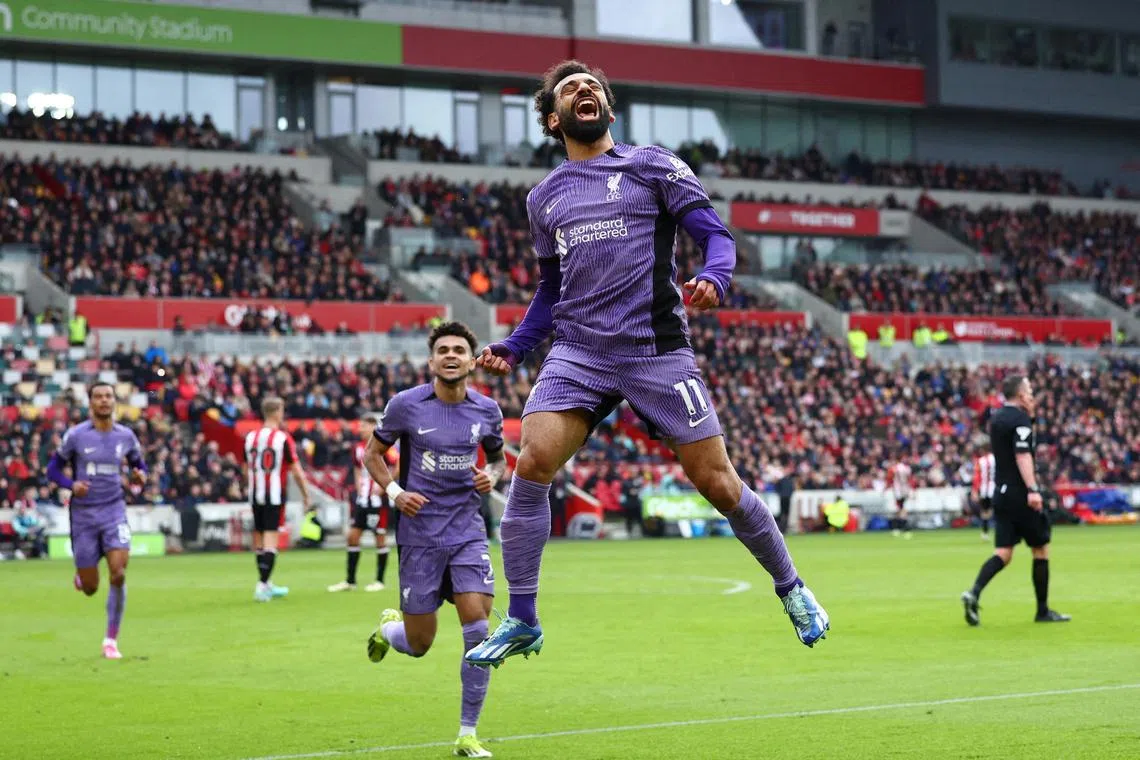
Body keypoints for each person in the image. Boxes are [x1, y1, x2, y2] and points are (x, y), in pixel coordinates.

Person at [465, 60, 829, 670]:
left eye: (594, 86)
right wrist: (517, 345)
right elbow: (551, 289)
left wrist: (715, 276)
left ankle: (791, 587)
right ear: (553, 120)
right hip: (579, 352)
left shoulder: (653, 165)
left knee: (717, 483)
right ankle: (523, 618)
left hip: (655, 349)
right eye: (570, 89)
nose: (585, 90)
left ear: (608, 106)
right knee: (532, 461)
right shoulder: (544, 198)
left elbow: (716, 236)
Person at [362, 321, 506, 759]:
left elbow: (498, 459)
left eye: (458, 350)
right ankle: (390, 629)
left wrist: (492, 476)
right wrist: (395, 492)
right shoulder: (406, 405)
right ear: (431, 361)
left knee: (478, 630)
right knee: (420, 643)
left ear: (471, 361)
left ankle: (467, 734)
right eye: (443, 350)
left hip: (467, 532)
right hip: (419, 535)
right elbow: (372, 454)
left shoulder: (487, 410)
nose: (450, 356)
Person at [45, 382, 147, 659]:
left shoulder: (125, 436)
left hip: (114, 510)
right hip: (84, 515)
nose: (104, 400)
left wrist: (140, 476)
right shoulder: (76, 436)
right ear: (90, 402)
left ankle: (110, 640)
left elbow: (139, 465)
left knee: (119, 572)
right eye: (98, 396)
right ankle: (83, 576)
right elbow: (52, 470)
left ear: (115, 401)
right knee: (91, 588)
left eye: (108, 396)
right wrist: (71, 484)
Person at [961, 375, 1069, 626]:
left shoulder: (997, 418)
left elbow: (1016, 447)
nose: (1031, 394)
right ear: (1020, 394)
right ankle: (1042, 611)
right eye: (1029, 390)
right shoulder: (1019, 419)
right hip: (1021, 493)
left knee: (1003, 552)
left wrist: (1031, 418)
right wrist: (1033, 489)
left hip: (1001, 492)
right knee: (1040, 548)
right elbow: (1023, 455)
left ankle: (974, 592)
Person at [243, 397, 311, 603]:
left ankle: (267, 583)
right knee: (270, 540)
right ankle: (262, 585)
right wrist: (306, 494)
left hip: (255, 494)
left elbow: (245, 468)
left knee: (259, 540)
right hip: (273, 494)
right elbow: (296, 470)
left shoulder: (250, 437)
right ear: (277, 412)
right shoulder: (282, 438)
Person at [328, 414, 392, 593]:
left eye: (364, 426)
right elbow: (357, 468)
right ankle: (350, 581)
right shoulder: (357, 448)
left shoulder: (385, 446)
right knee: (353, 537)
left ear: (373, 427)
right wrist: (358, 487)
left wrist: (385, 486)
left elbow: (398, 465)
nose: (360, 429)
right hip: (363, 499)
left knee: (379, 537)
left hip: (378, 501)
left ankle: (379, 580)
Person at [971, 447, 996, 539]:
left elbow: (977, 476)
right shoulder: (995, 458)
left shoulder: (980, 461)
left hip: (984, 490)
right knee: (996, 510)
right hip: (995, 488)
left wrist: (975, 490)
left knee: (985, 511)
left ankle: (985, 532)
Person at [888, 459, 913, 538]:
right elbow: (909, 479)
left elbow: (890, 479)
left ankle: (903, 528)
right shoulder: (907, 468)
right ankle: (900, 528)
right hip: (904, 490)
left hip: (898, 490)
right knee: (901, 509)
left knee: (900, 509)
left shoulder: (894, 468)